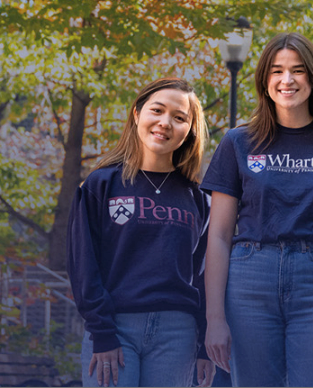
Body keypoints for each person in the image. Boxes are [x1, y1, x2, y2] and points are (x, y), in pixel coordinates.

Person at [201, 32, 313, 386]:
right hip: (250, 279)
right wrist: (214, 315)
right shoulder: (238, 142)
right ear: (265, 80)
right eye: (277, 71)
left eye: (298, 70)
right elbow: (217, 236)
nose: (287, 80)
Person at [69, 78, 215, 387]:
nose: (165, 123)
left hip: (178, 335)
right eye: (157, 110)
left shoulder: (200, 200)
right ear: (137, 113)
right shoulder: (101, 185)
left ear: (189, 130)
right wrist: (103, 332)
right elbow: (83, 265)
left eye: (179, 117)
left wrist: (204, 346)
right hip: (115, 328)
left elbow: (205, 278)